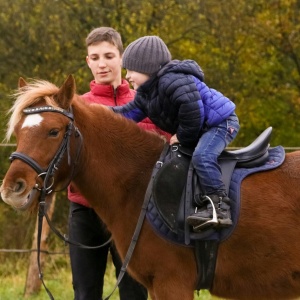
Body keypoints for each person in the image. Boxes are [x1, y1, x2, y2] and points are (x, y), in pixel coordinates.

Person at [68, 28, 169, 300]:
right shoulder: (76, 108)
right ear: (87, 61)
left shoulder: (144, 101)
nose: (102, 64)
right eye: (95, 57)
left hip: (135, 211)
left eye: (109, 56)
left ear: (122, 58)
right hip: (85, 212)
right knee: (86, 292)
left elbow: (169, 143)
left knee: (134, 292)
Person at [112, 35, 240, 232]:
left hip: (220, 123)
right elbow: (128, 113)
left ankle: (220, 207)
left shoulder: (173, 81)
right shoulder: (146, 94)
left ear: (148, 67)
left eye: (130, 70)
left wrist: (182, 136)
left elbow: (193, 112)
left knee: (203, 156)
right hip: (201, 126)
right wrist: (97, 114)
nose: (127, 76)